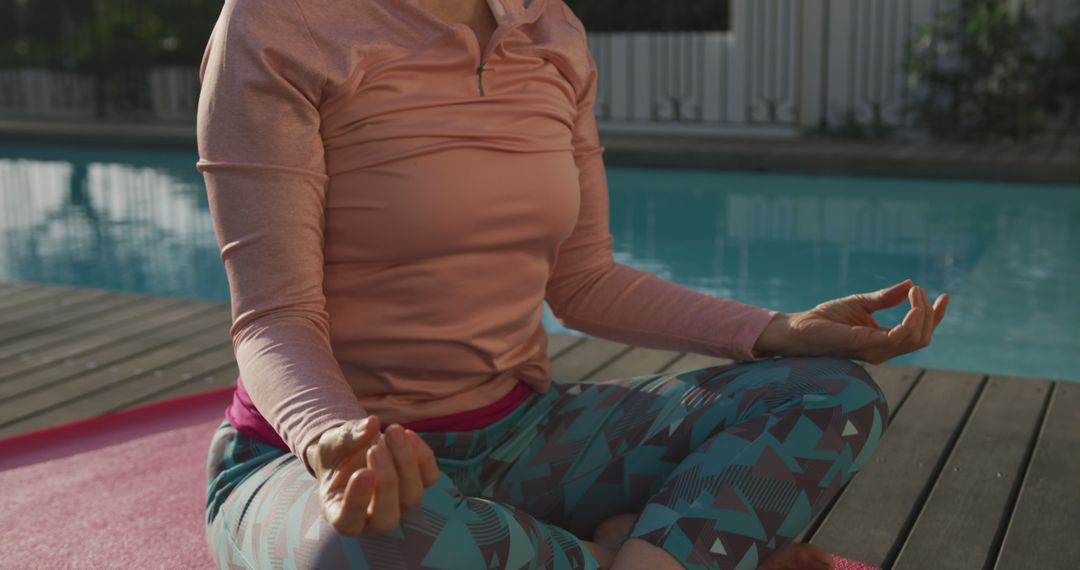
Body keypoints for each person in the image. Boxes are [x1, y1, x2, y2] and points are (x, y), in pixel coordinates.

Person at [197, 0, 949, 568]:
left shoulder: (550, 31)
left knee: (830, 393)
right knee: (358, 547)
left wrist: (779, 330)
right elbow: (274, 318)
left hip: (524, 437)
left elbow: (583, 280)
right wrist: (337, 441)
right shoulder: (276, 26)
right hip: (310, 463)